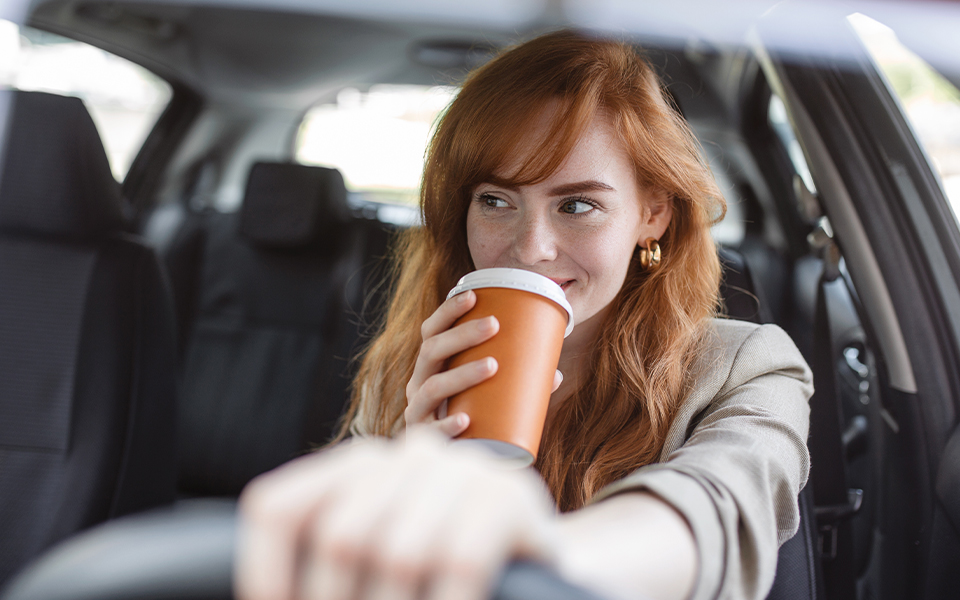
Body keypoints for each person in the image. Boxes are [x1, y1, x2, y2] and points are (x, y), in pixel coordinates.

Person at [235, 29, 812, 600]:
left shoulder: (748, 369)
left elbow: (713, 511)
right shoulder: (415, 370)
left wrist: (540, 557)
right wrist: (406, 456)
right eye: (496, 201)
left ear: (652, 215)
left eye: (578, 204)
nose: (531, 246)